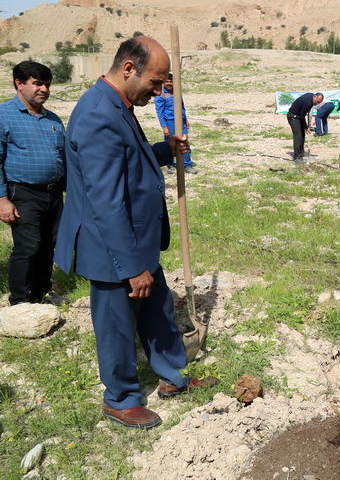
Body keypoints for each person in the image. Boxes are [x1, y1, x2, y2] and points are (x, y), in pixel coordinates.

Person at [55, 36, 216, 430]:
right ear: (129, 68)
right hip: (111, 247)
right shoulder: (98, 114)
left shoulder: (118, 105)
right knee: (116, 324)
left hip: (136, 240)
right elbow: (105, 200)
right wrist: (130, 266)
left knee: (158, 309)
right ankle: (121, 399)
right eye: (156, 82)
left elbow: (129, 163)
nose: (159, 91)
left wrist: (165, 149)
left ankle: (173, 376)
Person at [0, 61, 65, 305]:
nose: (44, 89)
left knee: (49, 245)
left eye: (47, 84)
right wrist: (2, 199)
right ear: (19, 84)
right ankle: (19, 301)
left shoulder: (54, 119)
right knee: (28, 247)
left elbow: (63, 157)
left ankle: (41, 293)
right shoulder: (4, 115)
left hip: (54, 193)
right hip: (23, 192)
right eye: (38, 83)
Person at [154, 72, 196, 174]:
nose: (169, 83)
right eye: (167, 81)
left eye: (170, 81)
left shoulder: (177, 91)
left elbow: (182, 106)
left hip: (181, 122)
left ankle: (187, 164)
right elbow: (160, 112)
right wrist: (164, 126)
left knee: (184, 142)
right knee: (170, 143)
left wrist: (186, 119)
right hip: (170, 122)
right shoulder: (161, 94)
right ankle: (170, 164)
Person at [287, 92, 323, 161]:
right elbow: (302, 116)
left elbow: (307, 114)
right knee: (298, 136)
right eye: (317, 101)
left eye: (319, 102)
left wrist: (308, 126)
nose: (317, 103)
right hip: (293, 116)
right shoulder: (308, 102)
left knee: (302, 135)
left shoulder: (311, 97)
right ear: (315, 96)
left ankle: (301, 153)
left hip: (299, 116)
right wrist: (306, 127)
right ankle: (297, 156)